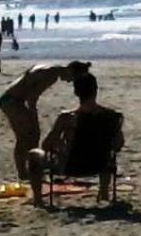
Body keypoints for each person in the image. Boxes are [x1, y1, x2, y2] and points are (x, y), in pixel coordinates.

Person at [28, 71, 124, 206]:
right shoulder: (112, 116)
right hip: (100, 165)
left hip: (70, 166)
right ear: (96, 91)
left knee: (34, 154)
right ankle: (103, 193)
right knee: (106, 151)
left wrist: (60, 146)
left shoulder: (67, 117)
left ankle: (38, 200)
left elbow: (46, 145)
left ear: (76, 92)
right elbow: (118, 145)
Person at [0, 61, 92, 179]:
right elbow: (32, 99)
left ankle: (26, 171)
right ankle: (24, 172)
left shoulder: (51, 68)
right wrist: (34, 120)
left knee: (29, 136)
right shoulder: (51, 74)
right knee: (26, 137)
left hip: (14, 100)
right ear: (71, 70)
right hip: (12, 101)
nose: (69, 81)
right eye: (72, 79)